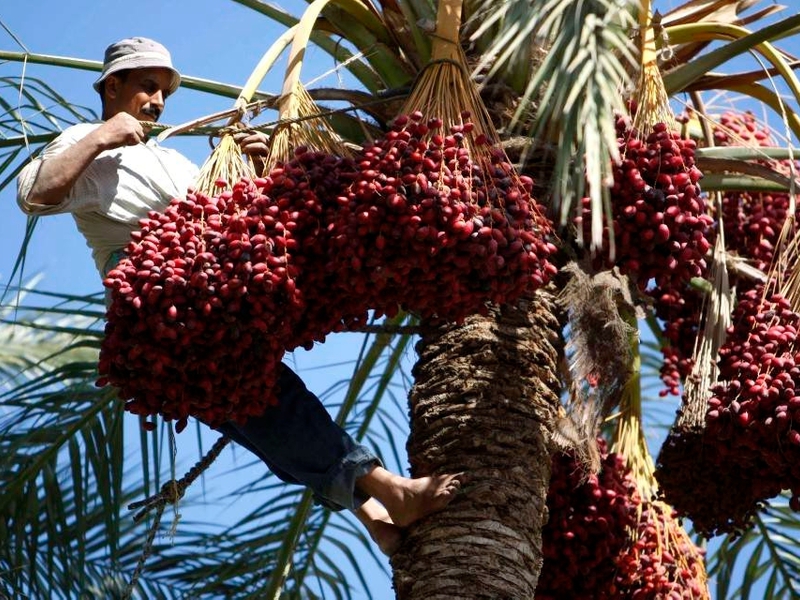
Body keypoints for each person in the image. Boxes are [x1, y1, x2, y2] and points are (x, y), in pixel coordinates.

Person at [16, 36, 463, 556]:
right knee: (271, 403)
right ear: (111, 86)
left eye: (164, 92)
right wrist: (101, 138)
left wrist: (256, 172)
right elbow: (35, 193)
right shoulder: (85, 143)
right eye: (146, 87)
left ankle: (373, 512)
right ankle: (386, 488)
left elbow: (233, 231)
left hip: (205, 308)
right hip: (164, 311)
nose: (158, 102)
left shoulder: (173, 161)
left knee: (252, 403)